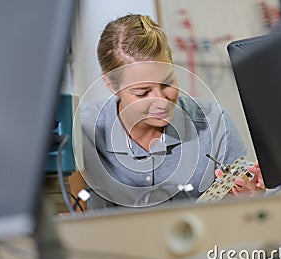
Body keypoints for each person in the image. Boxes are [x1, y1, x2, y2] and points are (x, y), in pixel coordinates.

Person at [75, 14, 266, 209]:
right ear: (110, 84)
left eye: (167, 82)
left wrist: (248, 198)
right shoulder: (80, 131)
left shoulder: (213, 121)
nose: (161, 102)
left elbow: (236, 212)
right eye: (143, 93)